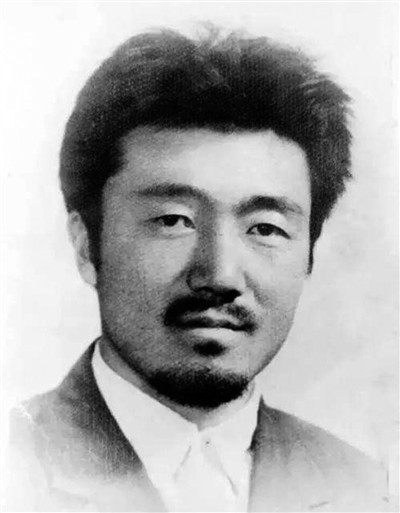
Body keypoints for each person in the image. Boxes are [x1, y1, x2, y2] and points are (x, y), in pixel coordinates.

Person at [4, 26, 389, 512]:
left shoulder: (363, 487)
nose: (220, 275)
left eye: (265, 228)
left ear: (309, 255)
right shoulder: (14, 465)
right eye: (173, 221)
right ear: (85, 246)